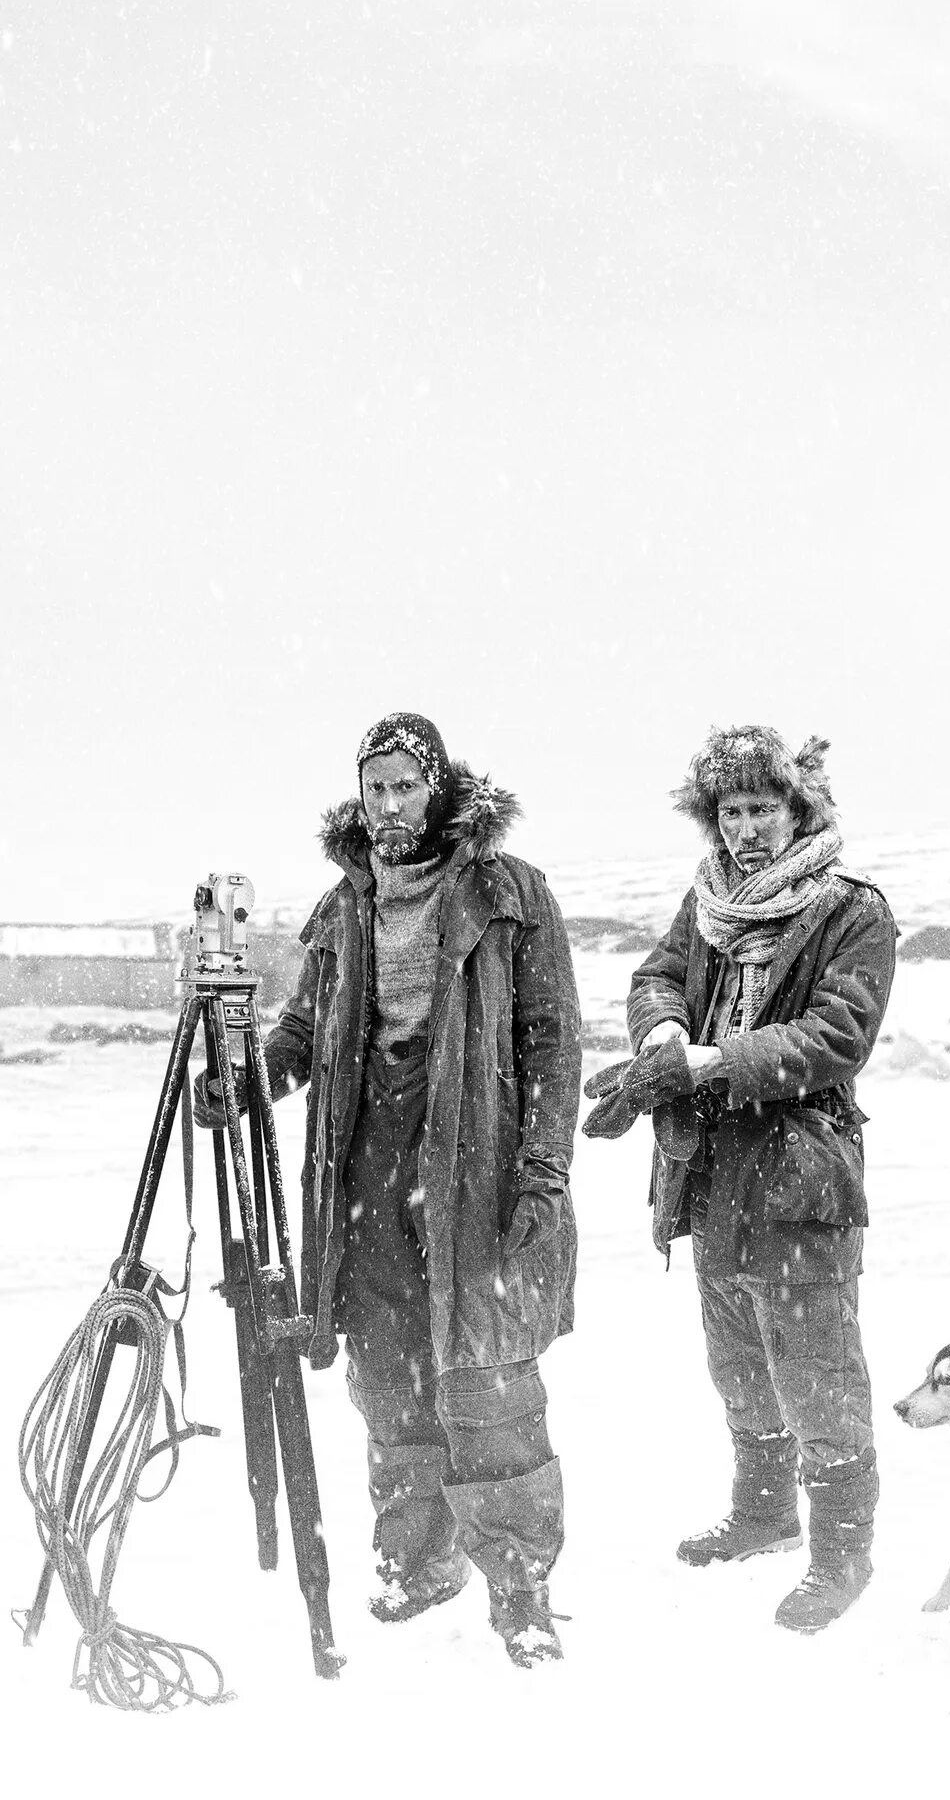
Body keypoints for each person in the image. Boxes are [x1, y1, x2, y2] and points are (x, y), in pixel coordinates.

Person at [263, 713, 582, 1668]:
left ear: (438, 788)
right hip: (366, 1157)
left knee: (487, 1382)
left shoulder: (507, 892)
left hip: (473, 1161)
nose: (391, 805)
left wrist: (544, 1168)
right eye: (376, 788)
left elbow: (552, 1042)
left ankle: (520, 1585)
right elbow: (304, 1027)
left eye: (406, 785)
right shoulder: (343, 906)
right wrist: (248, 1076)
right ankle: (418, 1558)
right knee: (390, 1374)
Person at [584, 727, 898, 1632]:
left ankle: (842, 1553)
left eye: (764, 808)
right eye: (731, 811)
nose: (747, 829)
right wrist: (660, 1039)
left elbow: (839, 1035)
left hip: (802, 1170)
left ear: (802, 810)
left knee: (818, 1368)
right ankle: (765, 1513)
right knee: (739, 1359)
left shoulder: (852, 910)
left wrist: (712, 1061)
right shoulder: (709, 903)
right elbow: (655, 977)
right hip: (709, 1173)